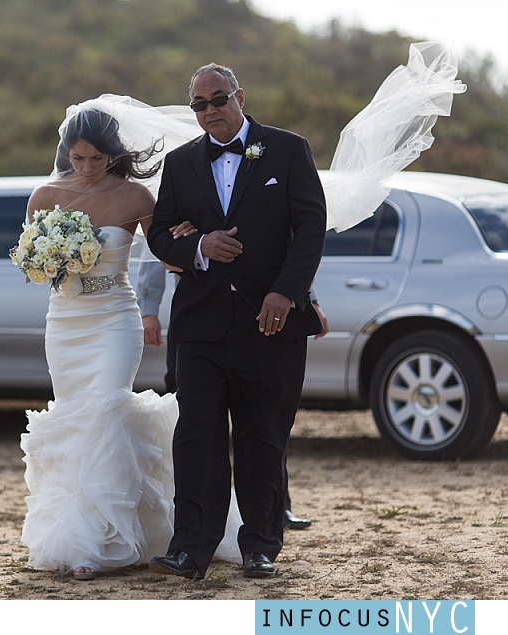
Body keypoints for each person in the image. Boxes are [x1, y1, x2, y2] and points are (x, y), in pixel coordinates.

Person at [19, 105, 244, 581]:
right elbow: (32, 261)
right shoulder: (44, 195)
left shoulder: (135, 195)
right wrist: (50, 261)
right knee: (73, 418)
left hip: (114, 318)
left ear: (113, 154)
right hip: (65, 321)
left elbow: (166, 252)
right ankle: (82, 537)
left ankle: (111, 537)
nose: (87, 167)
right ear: (67, 153)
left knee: (105, 411)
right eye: (79, 158)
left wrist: (187, 242)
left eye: (97, 158)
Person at [146, 63, 327, 580]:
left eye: (217, 100)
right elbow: (158, 233)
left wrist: (285, 293)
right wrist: (198, 245)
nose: (209, 112)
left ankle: (261, 547)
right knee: (196, 434)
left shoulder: (288, 150)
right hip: (201, 324)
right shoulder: (180, 163)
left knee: (262, 435)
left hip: (269, 325)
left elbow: (310, 226)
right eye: (198, 105)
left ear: (240, 97)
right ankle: (191, 548)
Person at [137, 261, 329, 530]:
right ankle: (193, 519)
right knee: (195, 423)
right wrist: (149, 309)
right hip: (197, 318)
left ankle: (276, 506)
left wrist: (311, 298)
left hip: (256, 312)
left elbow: (286, 244)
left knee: (263, 419)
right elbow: (157, 251)